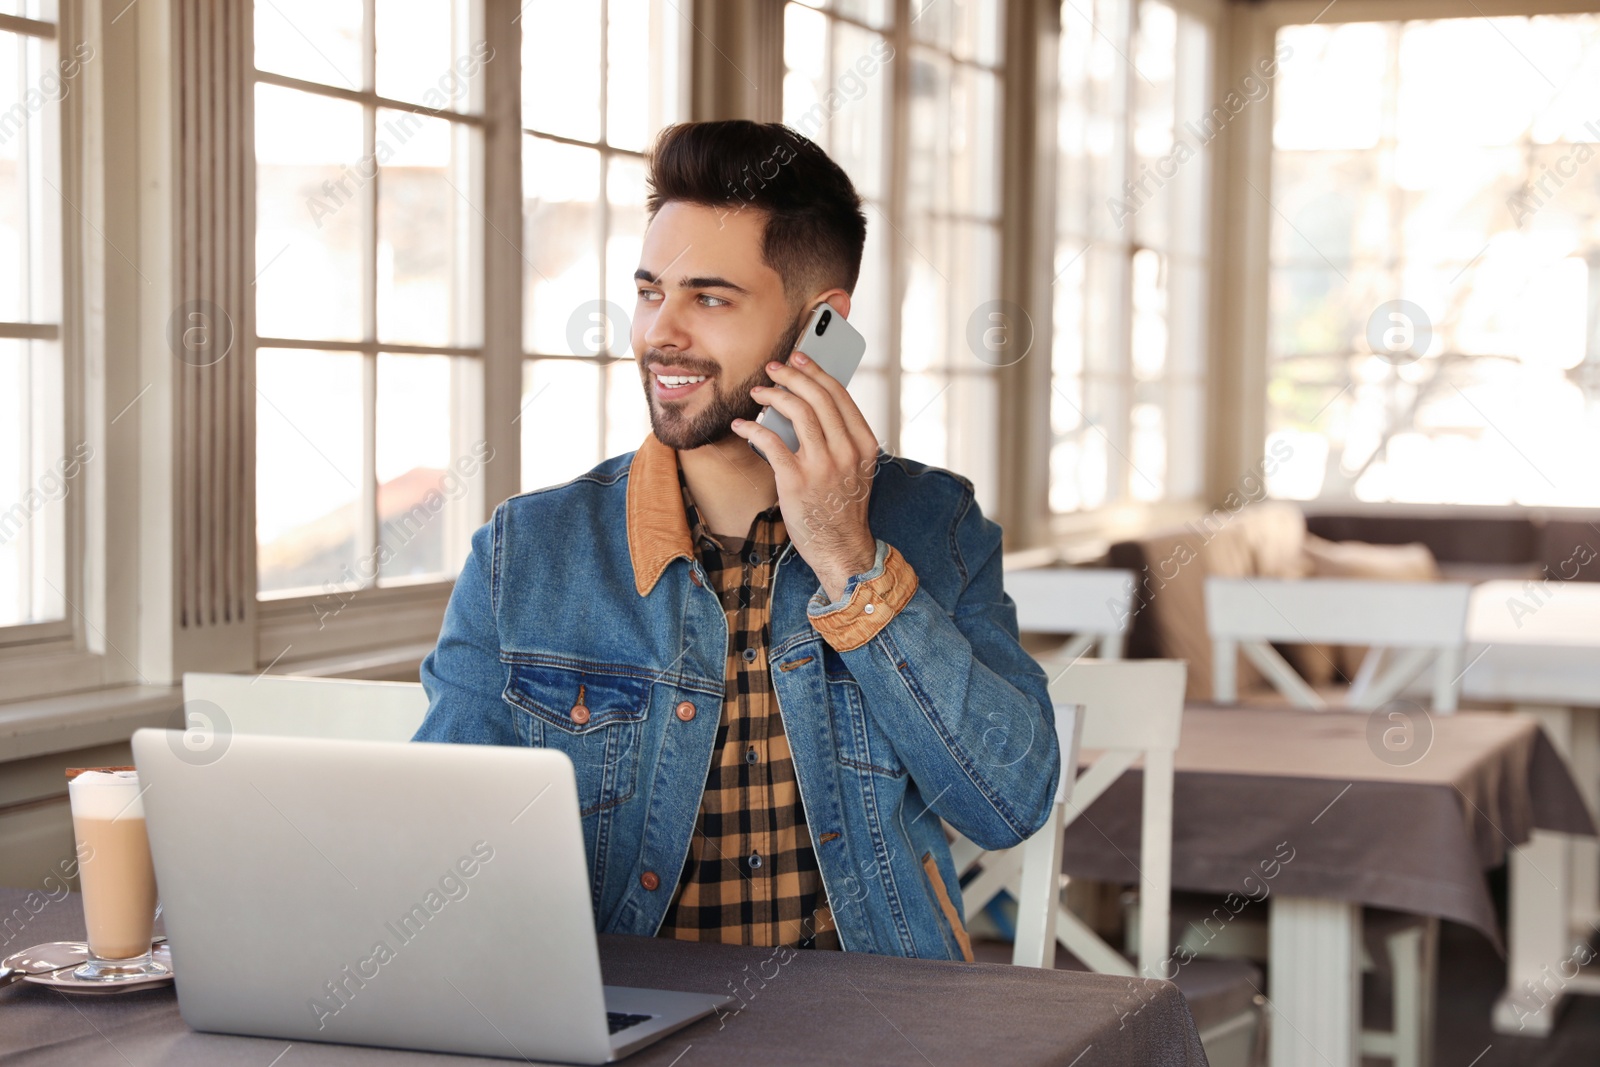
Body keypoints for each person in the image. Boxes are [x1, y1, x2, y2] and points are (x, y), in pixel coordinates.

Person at [414, 120, 1058, 961]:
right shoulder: (524, 555)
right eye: (650, 291)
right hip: (620, 1027)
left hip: (880, 1025)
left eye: (709, 298)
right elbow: (443, 856)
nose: (660, 334)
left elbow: (1007, 805)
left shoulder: (937, 524)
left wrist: (851, 564)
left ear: (820, 325)